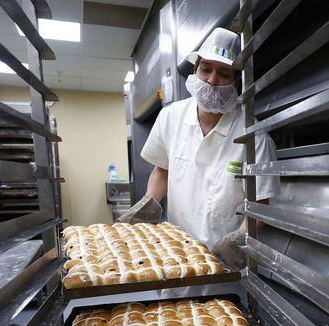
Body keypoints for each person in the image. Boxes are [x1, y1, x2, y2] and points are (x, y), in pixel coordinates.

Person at [118, 27, 280, 270]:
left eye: (224, 74)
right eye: (206, 69)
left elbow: (260, 202)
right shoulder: (170, 117)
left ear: (237, 80)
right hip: (174, 254)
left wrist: (239, 240)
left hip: (223, 261)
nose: (212, 80)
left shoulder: (253, 136)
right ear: (195, 70)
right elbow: (163, 169)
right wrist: (149, 202)